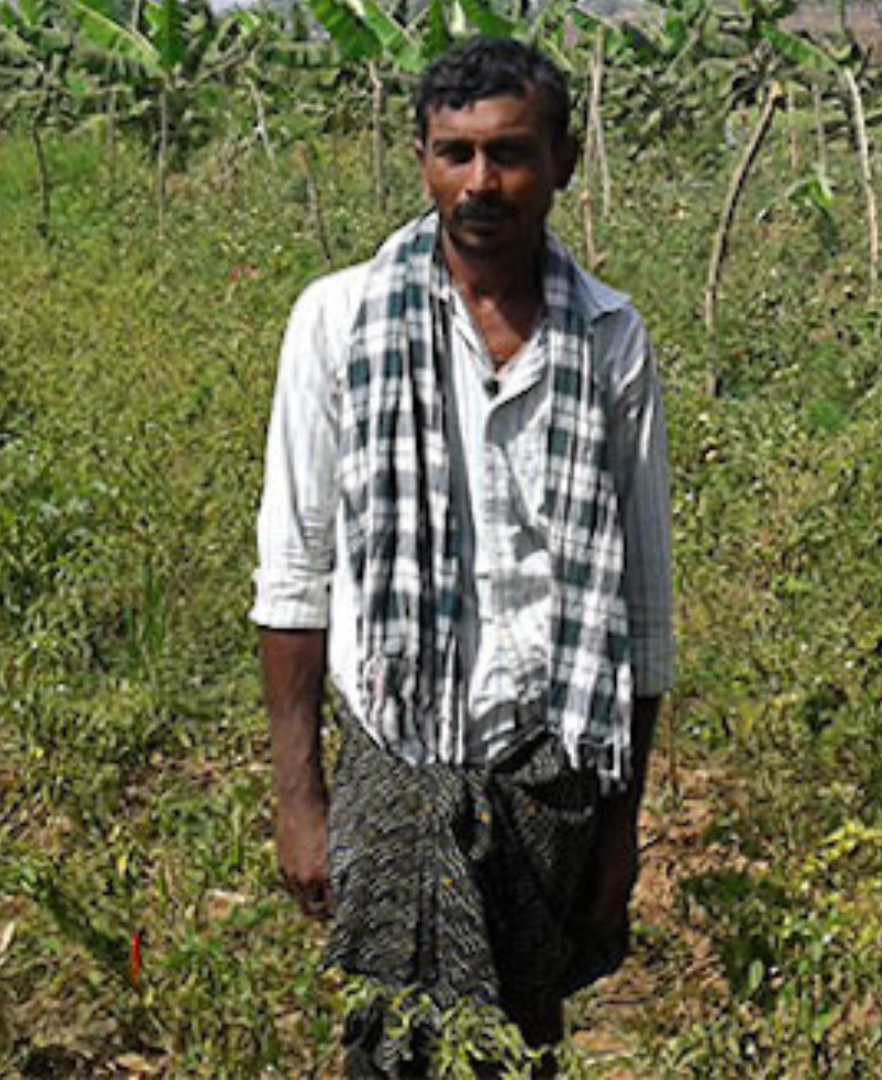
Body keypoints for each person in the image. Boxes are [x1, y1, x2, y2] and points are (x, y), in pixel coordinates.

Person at [251, 36, 674, 1078]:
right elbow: (295, 577)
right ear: (422, 159)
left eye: (511, 153)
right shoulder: (338, 322)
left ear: (563, 162)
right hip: (395, 767)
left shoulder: (612, 341)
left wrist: (622, 829)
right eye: (455, 153)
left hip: (551, 771)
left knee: (518, 1049)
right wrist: (301, 801)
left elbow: (644, 608)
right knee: (389, 1048)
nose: (481, 183)